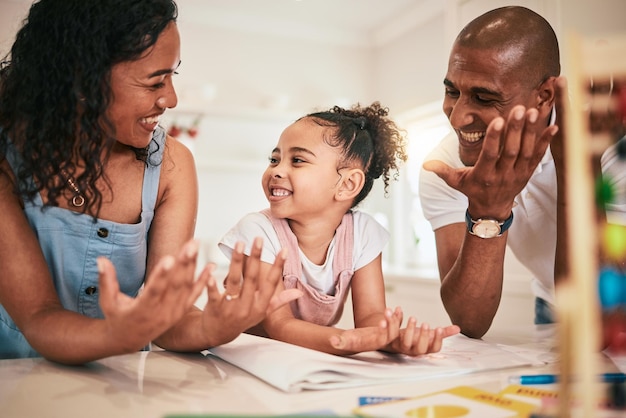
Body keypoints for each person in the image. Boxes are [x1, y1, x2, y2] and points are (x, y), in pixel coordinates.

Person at [0, 0, 299, 364]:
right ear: (82, 81)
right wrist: (121, 332)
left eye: (173, 76)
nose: (170, 98)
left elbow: (169, 321)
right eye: (156, 80)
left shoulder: (172, 165)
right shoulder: (6, 157)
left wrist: (215, 325)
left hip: (120, 389)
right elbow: (38, 317)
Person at [418, 6, 626, 338]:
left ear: (545, 96)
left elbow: (600, 318)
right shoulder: (444, 166)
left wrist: (580, 174)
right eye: (452, 91)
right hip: (550, 303)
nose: (457, 118)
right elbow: (468, 319)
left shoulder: (611, 150)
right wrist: (488, 212)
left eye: (484, 98)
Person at [219, 102, 460, 356]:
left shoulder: (363, 234)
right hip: (251, 358)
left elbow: (370, 318)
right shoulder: (258, 231)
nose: (276, 170)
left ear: (347, 185)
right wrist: (346, 340)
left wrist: (392, 340)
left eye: (297, 160)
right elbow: (280, 325)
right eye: (274, 159)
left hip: (308, 360)